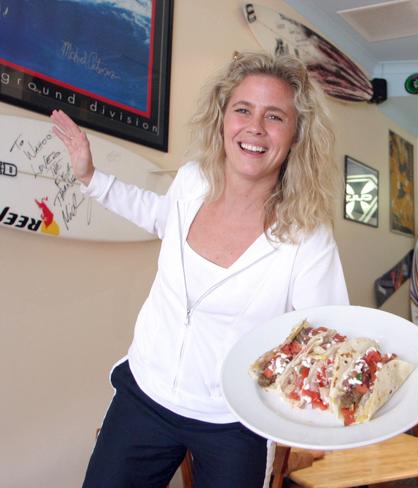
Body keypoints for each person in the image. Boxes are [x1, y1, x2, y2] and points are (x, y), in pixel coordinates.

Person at [51, 52, 349, 488]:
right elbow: (159, 216)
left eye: (275, 117)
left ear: (296, 135)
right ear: (223, 118)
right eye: (243, 110)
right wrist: (92, 177)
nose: (255, 128)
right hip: (146, 392)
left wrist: (313, 422)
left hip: (234, 418)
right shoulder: (193, 182)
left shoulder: (307, 234)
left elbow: (325, 335)